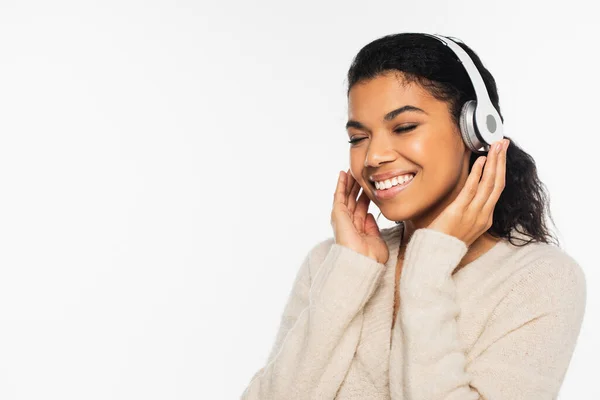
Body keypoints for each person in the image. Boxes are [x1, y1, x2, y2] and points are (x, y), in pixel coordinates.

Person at [240, 32, 586, 399]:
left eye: (404, 128)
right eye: (358, 138)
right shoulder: (332, 262)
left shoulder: (540, 279)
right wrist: (349, 271)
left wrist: (429, 265)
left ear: (476, 130)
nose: (373, 157)